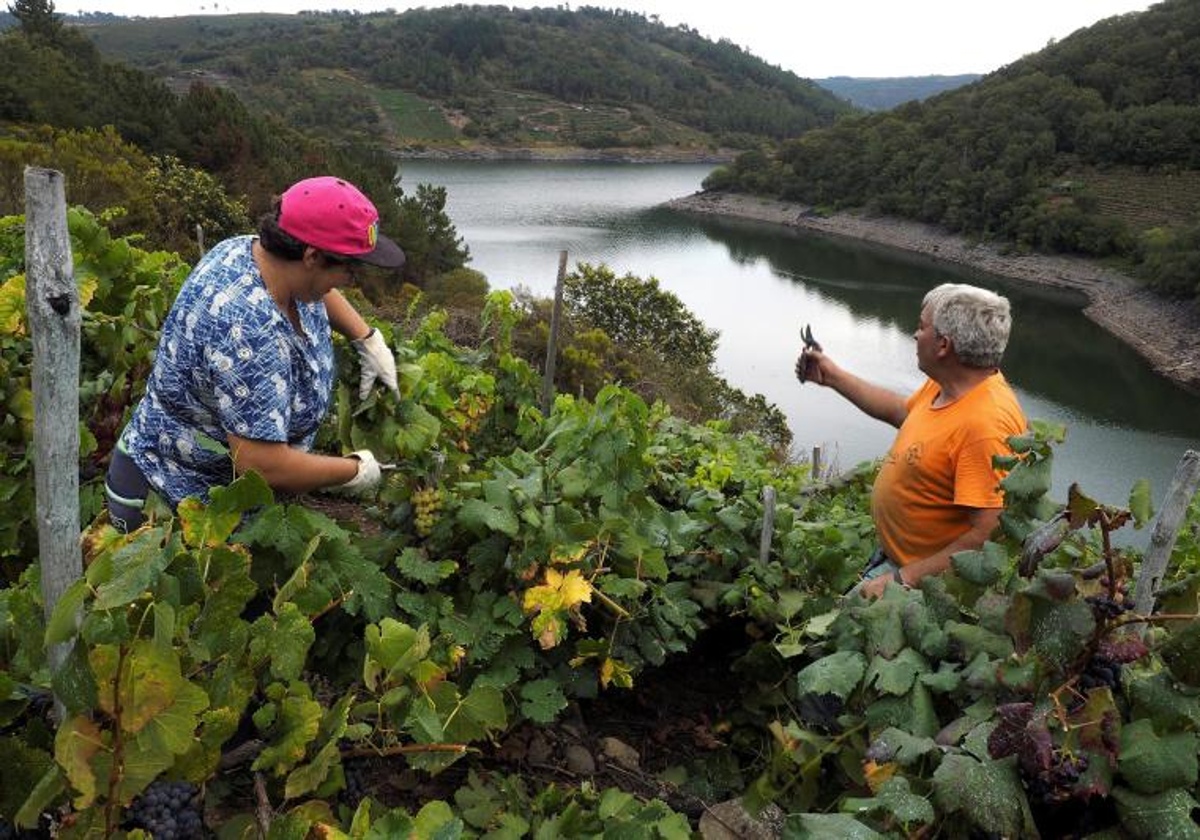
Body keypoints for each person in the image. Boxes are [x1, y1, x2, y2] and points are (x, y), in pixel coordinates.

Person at [105, 175, 406, 532]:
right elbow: (261, 465)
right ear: (312, 256)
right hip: (173, 504)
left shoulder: (259, 255)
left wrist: (366, 338)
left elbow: (321, 290)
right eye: (349, 270)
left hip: (221, 504)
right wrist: (354, 470)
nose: (350, 281)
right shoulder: (248, 328)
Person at [796, 283, 1027, 599]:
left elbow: (989, 536)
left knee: (831, 638)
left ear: (943, 345)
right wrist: (832, 376)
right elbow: (901, 411)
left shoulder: (985, 427)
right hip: (896, 558)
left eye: (921, 327)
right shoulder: (952, 386)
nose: (915, 335)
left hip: (918, 584)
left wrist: (904, 579)